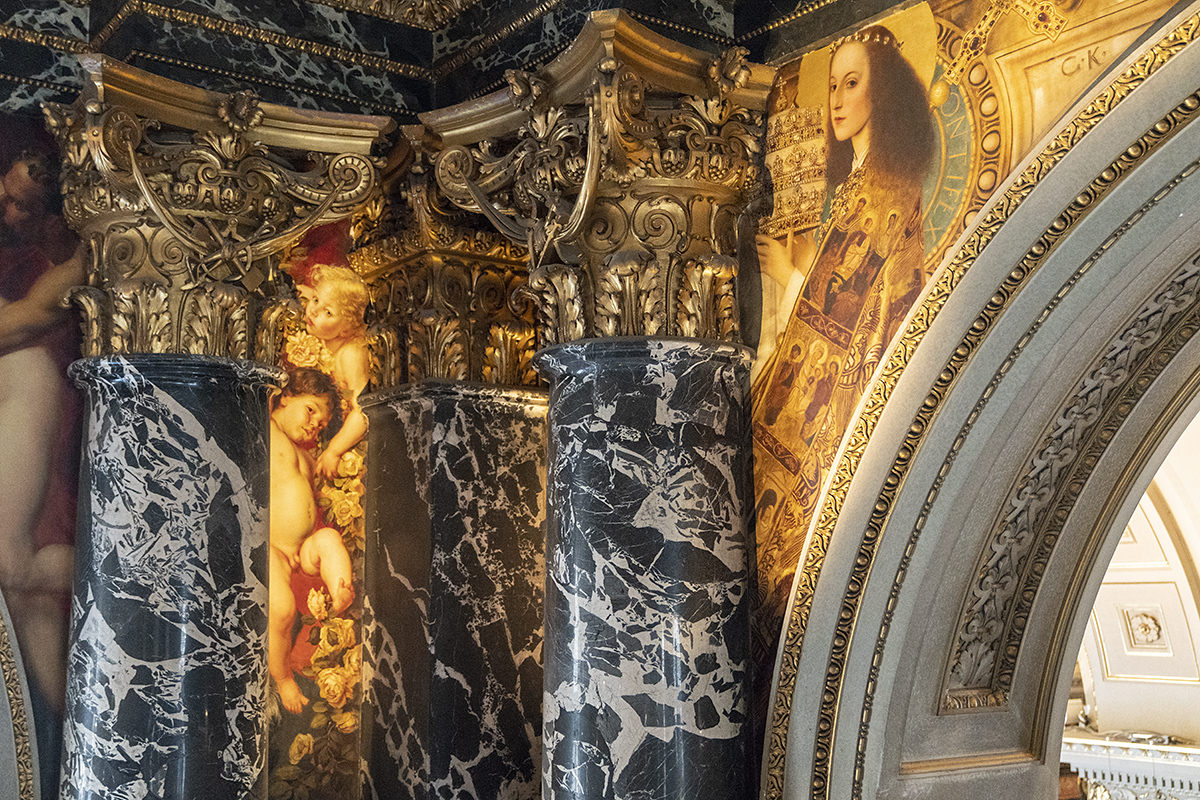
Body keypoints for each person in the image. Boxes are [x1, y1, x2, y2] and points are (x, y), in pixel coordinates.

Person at [268, 368, 353, 714]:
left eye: (322, 421)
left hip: (302, 548)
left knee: (330, 539)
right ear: (285, 398)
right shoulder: (268, 429)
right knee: (282, 608)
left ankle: (341, 592)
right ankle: (282, 678)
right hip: (271, 546)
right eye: (310, 411)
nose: (314, 424)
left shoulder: (306, 454)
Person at [302, 265, 370, 481]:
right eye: (315, 300)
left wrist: (334, 450)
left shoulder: (350, 354)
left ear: (347, 328)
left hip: (352, 447)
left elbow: (362, 411)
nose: (314, 310)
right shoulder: (321, 345)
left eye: (328, 312)